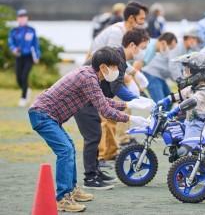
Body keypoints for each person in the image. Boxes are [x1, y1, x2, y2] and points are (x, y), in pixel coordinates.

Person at [28, 47, 148, 212]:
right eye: (114, 67)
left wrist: (128, 104)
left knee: (69, 147)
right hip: (42, 114)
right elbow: (105, 110)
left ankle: (72, 190)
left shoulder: (90, 75)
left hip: (48, 115)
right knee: (66, 150)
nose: (116, 71)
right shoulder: (88, 78)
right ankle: (63, 198)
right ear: (103, 67)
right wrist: (131, 118)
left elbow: (102, 101)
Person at [74, 29, 152, 189]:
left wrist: (138, 94)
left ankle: (95, 172)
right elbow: (117, 88)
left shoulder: (119, 56)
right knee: (93, 137)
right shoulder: (119, 59)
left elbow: (120, 79)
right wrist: (137, 100)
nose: (143, 52)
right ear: (132, 45)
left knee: (96, 134)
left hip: (91, 98)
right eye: (142, 47)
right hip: (83, 99)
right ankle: (90, 178)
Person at [157, 52, 205, 156]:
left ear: (198, 72)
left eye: (187, 70)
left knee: (184, 151)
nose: (185, 73)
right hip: (189, 123)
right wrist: (165, 100)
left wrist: (177, 109)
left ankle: (188, 168)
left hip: (199, 127)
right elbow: (178, 95)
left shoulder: (204, 90)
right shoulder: (192, 88)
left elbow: (192, 101)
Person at [8, 9, 41, 107]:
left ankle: (23, 98)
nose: (22, 19)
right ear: (17, 19)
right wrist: (14, 49)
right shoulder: (14, 31)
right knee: (19, 78)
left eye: (24, 17)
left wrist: (37, 55)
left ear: (27, 18)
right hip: (19, 57)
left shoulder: (31, 30)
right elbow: (11, 43)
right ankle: (27, 90)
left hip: (29, 57)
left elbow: (35, 44)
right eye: (20, 17)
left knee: (24, 76)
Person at [141, 32, 178, 102]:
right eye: (170, 48)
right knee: (160, 102)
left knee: (169, 100)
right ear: (163, 43)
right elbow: (138, 66)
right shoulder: (150, 48)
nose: (169, 51)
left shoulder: (154, 48)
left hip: (158, 76)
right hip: (151, 75)